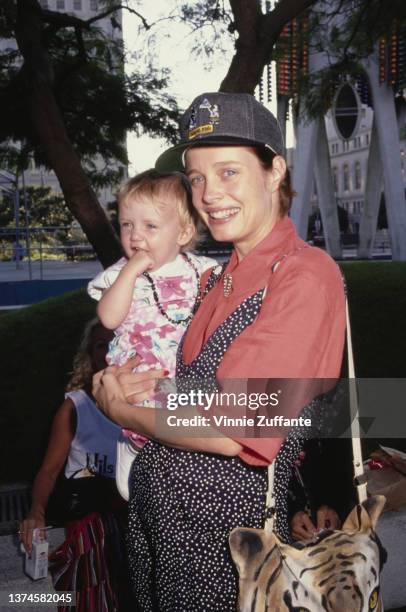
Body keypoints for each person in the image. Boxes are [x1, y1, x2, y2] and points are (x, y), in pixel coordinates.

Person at [93, 92, 346, 611]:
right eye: (198, 177)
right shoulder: (214, 278)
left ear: (275, 171)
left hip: (231, 552)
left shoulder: (303, 275)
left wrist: (121, 408)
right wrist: (144, 384)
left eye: (228, 172)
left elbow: (239, 424)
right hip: (166, 534)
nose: (209, 194)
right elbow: (196, 391)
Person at [88, 170, 216, 457]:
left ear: (183, 233)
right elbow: (109, 318)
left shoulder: (202, 269)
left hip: (187, 386)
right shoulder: (120, 275)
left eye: (150, 226)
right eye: (126, 225)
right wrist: (131, 273)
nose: (135, 236)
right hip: (141, 387)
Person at [20, 318, 130, 611]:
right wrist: (36, 513)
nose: (108, 352)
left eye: (114, 343)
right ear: (90, 354)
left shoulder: (147, 404)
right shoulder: (75, 407)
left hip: (132, 517)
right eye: (100, 345)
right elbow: (49, 470)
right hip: (90, 522)